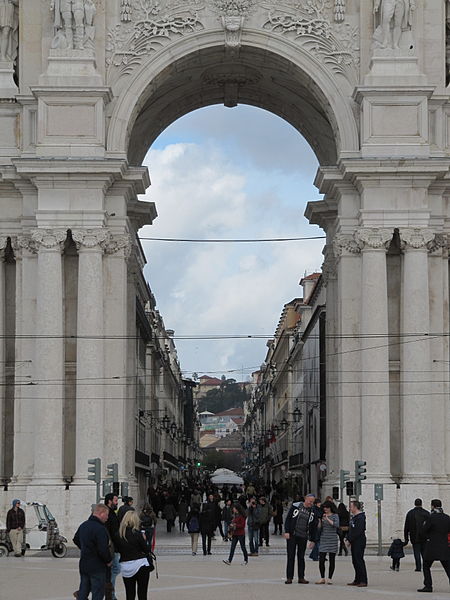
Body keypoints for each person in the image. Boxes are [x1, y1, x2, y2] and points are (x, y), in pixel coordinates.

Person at [73, 504, 112, 600]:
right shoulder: (100, 529)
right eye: (107, 515)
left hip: (84, 563)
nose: (107, 518)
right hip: (97, 566)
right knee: (97, 593)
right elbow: (103, 549)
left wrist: (85, 548)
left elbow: (76, 539)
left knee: (83, 591)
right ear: (101, 513)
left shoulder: (84, 525)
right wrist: (108, 560)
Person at [284, 493, 318, 584]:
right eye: (310, 501)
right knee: (290, 556)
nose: (311, 503)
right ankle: (289, 577)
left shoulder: (313, 511)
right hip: (292, 535)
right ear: (305, 499)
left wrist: (313, 540)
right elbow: (288, 519)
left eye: (312, 502)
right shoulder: (296, 506)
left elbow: (314, 526)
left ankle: (301, 577)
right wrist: (287, 531)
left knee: (301, 557)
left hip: (303, 536)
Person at [116, 510, 151, 600]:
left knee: (130, 594)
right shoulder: (137, 534)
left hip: (126, 565)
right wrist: (145, 540)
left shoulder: (118, 535)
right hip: (140, 564)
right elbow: (147, 550)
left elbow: (117, 549)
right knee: (142, 594)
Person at [417, 499, 450, 593]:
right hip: (444, 547)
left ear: (433, 506)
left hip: (432, 547)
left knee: (426, 566)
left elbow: (423, 531)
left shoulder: (431, 518)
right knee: (448, 567)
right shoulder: (447, 518)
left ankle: (428, 586)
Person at [315, 500, 339, 585]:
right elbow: (319, 528)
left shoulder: (335, 516)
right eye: (324, 507)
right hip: (323, 538)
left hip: (332, 539)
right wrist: (320, 522)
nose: (325, 509)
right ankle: (322, 577)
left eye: (327, 508)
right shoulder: (322, 515)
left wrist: (327, 519)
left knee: (332, 560)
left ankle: (330, 578)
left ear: (330, 508)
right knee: (321, 559)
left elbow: (336, 525)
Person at [346, 500, 368, 588]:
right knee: (354, 561)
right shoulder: (354, 517)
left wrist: (349, 540)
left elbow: (358, 531)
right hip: (354, 541)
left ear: (355, 507)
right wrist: (348, 538)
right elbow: (351, 529)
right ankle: (357, 579)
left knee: (359, 560)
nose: (349, 508)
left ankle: (363, 580)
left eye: (350, 506)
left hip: (359, 541)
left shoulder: (360, 517)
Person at [404, 498, 430, 572]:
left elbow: (406, 527)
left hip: (414, 537)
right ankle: (425, 566)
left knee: (416, 552)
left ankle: (418, 567)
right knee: (424, 552)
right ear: (421, 504)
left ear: (414, 504)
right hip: (424, 537)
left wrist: (406, 538)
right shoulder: (426, 513)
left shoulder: (410, 513)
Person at [104, 493, 121, 600]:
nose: (117, 502)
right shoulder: (108, 514)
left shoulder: (112, 513)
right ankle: (110, 594)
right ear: (109, 501)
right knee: (115, 569)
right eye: (115, 500)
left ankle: (109, 592)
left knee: (114, 570)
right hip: (111, 547)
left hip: (113, 546)